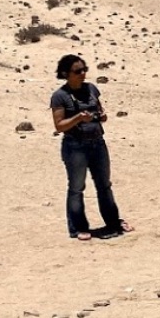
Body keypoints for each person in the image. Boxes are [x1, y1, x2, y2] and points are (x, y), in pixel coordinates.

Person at [50, 54, 132, 241]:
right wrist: (78, 118)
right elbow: (59, 125)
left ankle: (113, 222)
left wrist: (102, 116)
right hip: (75, 147)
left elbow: (100, 110)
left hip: (97, 143)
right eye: (78, 71)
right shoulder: (59, 96)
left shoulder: (91, 89)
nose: (83, 74)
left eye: (84, 69)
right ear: (65, 74)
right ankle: (78, 228)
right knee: (77, 187)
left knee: (105, 185)